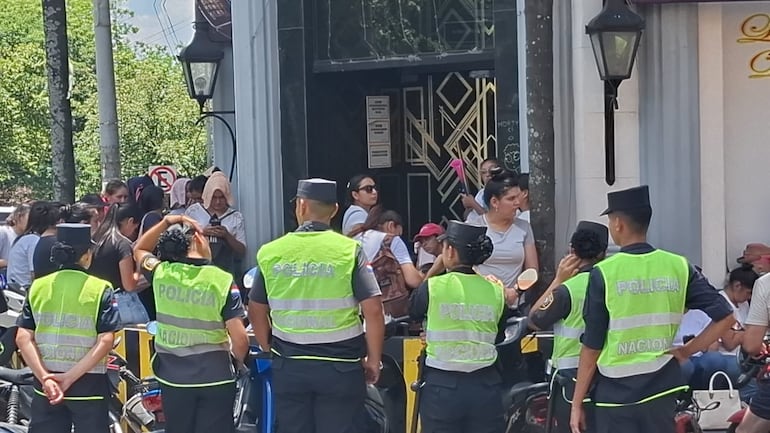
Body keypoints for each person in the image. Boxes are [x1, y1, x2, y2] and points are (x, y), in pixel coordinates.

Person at [569, 185, 735, 433]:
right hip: (661, 390)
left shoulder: (604, 273)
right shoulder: (679, 266)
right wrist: (687, 351)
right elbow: (726, 317)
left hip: (615, 396)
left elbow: (592, 347)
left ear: (617, 224)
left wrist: (577, 402)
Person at [248, 178, 384, 433]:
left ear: (300, 206)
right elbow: (374, 310)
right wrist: (374, 360)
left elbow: (255, 309)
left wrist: (269, 348)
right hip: (341, 368)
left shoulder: (270, 252)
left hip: (290, 365)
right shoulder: (349, 250)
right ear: (334, 210)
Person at [133, 214, 249, 433]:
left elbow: (139, 249)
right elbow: (240, 338)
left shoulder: (161, 273)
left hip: (174, 379)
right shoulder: (221, 280)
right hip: (216, 378)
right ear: (197, 238)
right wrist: (236, 362)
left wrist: (167, 221)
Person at [408, 220, 513, 433]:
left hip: (443, 389)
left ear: (450, 251)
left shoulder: (434, 286)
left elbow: (412, 309)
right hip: (485, 388)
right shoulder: (495, 291)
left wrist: (436, 268)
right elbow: (498, 334)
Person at [16, 223, 119, 433]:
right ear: (87, 255)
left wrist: (46, 378)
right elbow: (106, 340)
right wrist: (69, 378)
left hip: (48, 389)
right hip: (88, 387)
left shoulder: (38, 286)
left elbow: (22, 338)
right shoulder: (100, 289)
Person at [529, 221, 609, 433]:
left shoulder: (566, 291)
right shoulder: (612, 284)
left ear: (572, 251)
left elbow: (534, 319)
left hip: (570, 381)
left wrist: (558, 280)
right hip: (608, 378)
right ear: (603, 253)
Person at [673, 266, 757, 400]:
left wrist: (698, 345)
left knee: (718, 360)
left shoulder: (704, 309)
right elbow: (730, 341)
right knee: (686, 365)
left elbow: (713, 344)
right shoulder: (668, 310)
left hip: (701, 355)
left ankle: (739, 404)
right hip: (676, 356)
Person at [185, 172, 246, 277]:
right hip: (198, 271)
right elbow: (183, 239)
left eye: (221, 197)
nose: (218, 202)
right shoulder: (194, 211)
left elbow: (242, 250)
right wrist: (201, 232)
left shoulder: (235, 217)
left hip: (225, 273)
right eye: (214, 197)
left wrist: (227, 236)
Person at [349, 206, 424, 289]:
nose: (398, 236)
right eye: (398, 233)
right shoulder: (392, 240)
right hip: (385, 299)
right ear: (391, 226)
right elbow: (413, 281)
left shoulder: (352, 240)